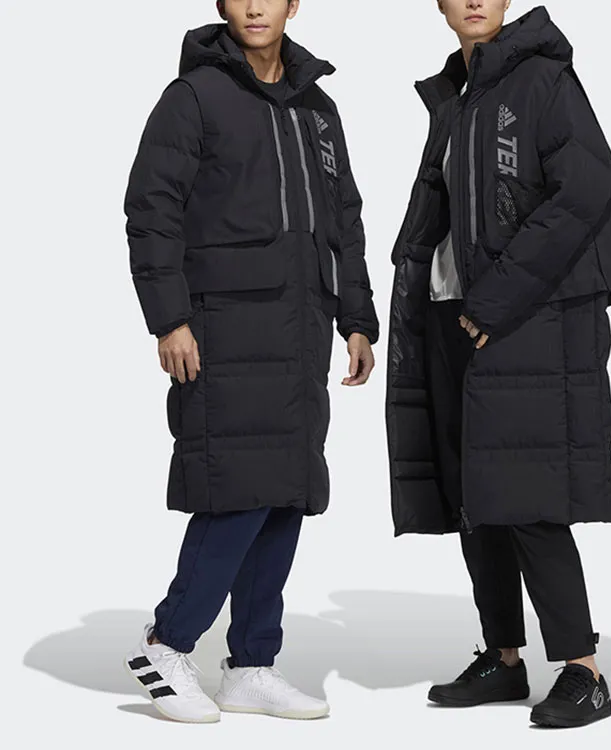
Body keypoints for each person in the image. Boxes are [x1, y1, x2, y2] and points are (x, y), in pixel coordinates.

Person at [123, 0, 378, 724]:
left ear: (294, 4)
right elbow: (152, 209)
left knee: (287, 491)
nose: (255, 6)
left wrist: (357, 319)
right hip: (224, 327)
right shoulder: (194, 97)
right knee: (237, 487)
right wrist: (169, 317)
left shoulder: (318, 109)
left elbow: (345, 219)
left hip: (303, 327)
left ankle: (252, 664)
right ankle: (166, 644)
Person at [385, 1, 611, 729]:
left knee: (527, 496)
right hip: (452, 313)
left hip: (519, 319)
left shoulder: (543, 81)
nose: (473, 1)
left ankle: (583, 671)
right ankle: (503, 657)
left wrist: (494, 301)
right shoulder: (458, 95)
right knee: (475, 497)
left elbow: (585, 191)